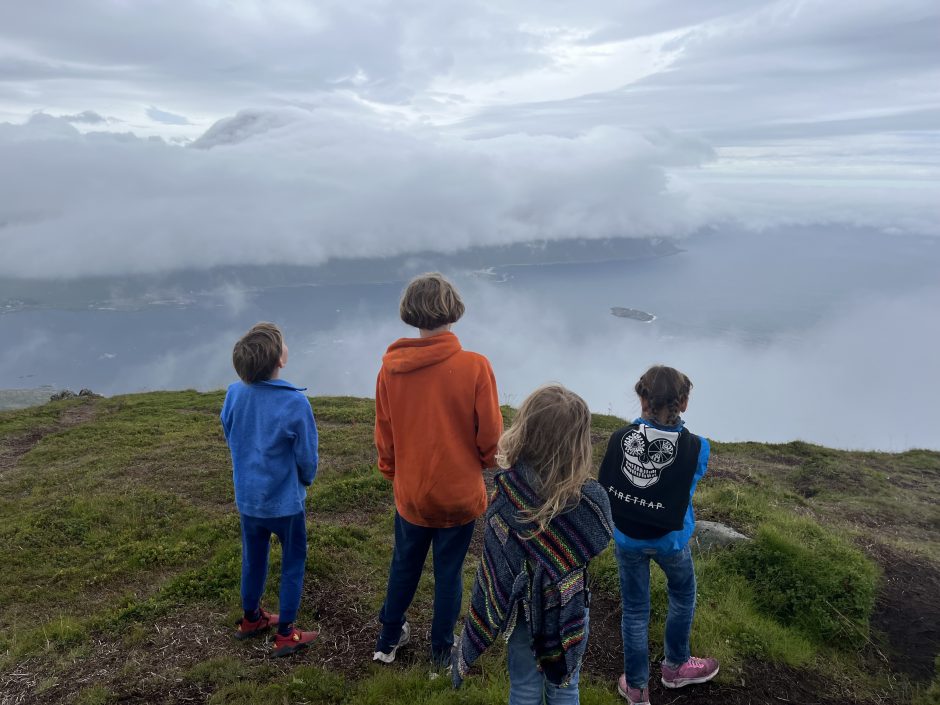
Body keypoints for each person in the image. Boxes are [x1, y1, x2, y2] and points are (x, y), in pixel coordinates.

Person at [373, 272, 503, 669]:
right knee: (449, 572)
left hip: (412, 493)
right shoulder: (475, 366)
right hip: (458, 493)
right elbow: (491, 435)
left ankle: (387, 639)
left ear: (411, 313)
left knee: (404, 564)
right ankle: (442, 652)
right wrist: (481, 462)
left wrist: (393, 470)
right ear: (453, 311)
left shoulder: (390, 369)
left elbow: (386, 432)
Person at [453, 384, 613, 705]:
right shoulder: (588, 499)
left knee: (524, 687)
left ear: (524, 429)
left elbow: (497, 565)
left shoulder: (508, 492)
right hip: (569, 607)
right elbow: (593, 543)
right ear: (579, 442)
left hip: (522, 612)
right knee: (566, 685)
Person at [598, 366, 719, 705]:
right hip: (671, 540)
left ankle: (637, 688)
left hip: (627, 538)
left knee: (635, 610)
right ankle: (676, 665)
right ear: (683, 402)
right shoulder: (698, 448)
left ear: (642, 398)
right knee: (682, 595)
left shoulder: (620, 437)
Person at [220, 322, 320, 657]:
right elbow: (307, 457)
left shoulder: (234, 393)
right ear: (279, 359)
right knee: (293, 560)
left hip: (248, 499)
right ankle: (286, 634)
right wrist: (306, 479)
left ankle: (251, 619)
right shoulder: (294, 403)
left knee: (254, 556)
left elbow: (229, 430)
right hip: (285, 503)